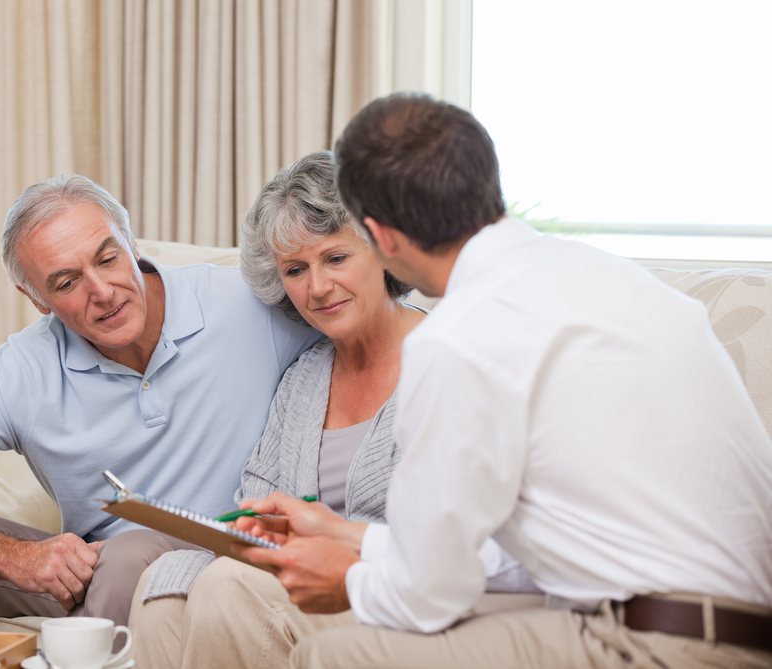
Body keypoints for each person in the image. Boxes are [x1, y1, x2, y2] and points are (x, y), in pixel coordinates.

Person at [233, 94, 772, 668]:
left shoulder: (459, 337)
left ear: (379, 237)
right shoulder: (608, 277)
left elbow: (426, 596)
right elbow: (522, 556)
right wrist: (355, 538)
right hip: (739, 629)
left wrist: (349, 579)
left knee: (335, 657)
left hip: (657, 644)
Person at [0, 174, 322, 629]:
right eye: (66, 282)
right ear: (36, 299)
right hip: (98, 577)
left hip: (227, 559)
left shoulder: (248, 303)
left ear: (132, 245)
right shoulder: (21, 370)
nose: (102, 292)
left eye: (108, 259)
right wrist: (15, 557)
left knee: (131, 553)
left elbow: (379, 317)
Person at [127, 151, 537, 668]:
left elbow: (474, 536)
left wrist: (337, 549)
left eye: (336, 258)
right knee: (162, 588)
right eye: (295, 269)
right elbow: (257, 501)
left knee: (231, 584)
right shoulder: (304, 377)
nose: (316, 287)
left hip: (407, 600)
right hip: (305, 591)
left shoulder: (453, 358)